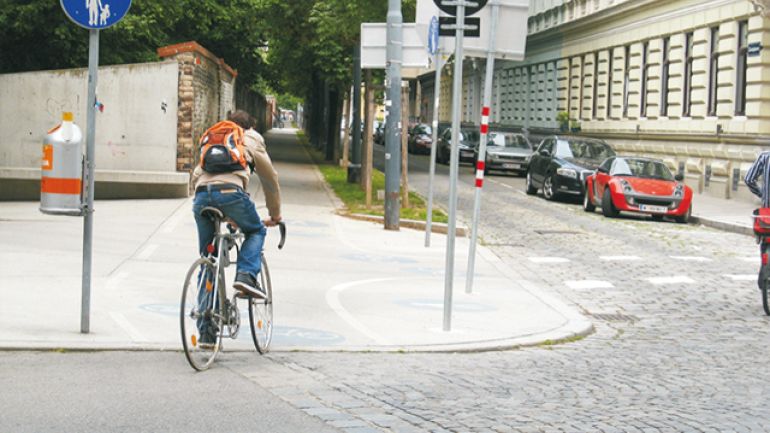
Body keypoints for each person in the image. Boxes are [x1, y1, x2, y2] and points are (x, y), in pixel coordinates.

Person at [192, 110, 281, 300]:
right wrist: (275, 214)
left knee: (208, 258)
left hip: (201, 196)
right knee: (256, 231)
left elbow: (197, 175)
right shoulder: (251, 138)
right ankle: (246, 276)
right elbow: (269, 178)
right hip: (231, 194)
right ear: (250, 127)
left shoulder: (217, 136)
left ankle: (206, 322)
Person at [745, 150, 770, 288]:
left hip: (767, 212)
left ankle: (765, 272)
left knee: (766, 239)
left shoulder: (765, 156)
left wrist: (762, 194)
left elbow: (749, 179)